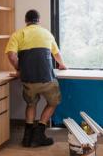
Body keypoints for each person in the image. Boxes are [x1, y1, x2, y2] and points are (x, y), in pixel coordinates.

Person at [5, 9, 67, 147]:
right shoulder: (47, 33)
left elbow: (11, 55)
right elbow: (56, 54)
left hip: (28, 80)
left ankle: (27, 138)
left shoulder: (18, 34)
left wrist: (20, 69)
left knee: (31, 104)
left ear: (26, 21)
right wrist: (62, 65)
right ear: (39, 20)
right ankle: (39, 134)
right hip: (47, 79)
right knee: (53, 102)